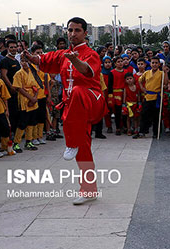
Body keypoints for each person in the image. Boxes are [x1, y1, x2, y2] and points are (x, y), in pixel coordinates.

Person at [23, 17, 108, 204]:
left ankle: (71, 141)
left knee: (77, 91)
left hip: (90, 100)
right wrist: (30, 57)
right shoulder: (62, 54)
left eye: (77, 30)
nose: (72, 34)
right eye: (70, 30)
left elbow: (86, 71)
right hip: (73, 109)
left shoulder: (91, 54)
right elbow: (43, 59)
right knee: (84, 150)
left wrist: (75, 61)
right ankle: (89, 190)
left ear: (85, 33)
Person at [12, 57, 40, 151]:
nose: (25, 63)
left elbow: (37, 86)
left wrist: (35, 98)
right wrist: (31, 98)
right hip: (24, 99)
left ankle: (29, 141)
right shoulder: (18, 74)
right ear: (20, 62)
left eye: (27, 61)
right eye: (23, 61)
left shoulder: (32, 72)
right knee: (22, 122)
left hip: (33, 98)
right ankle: (16, 143)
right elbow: (19, 88)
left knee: (32, 121)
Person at [137, 56, 168, 139]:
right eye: (153, 63)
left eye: (156, 63)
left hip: (157, 97)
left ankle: (156, 132)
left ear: (159, 64)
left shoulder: (161, 73)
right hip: (148, 97)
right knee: (144, 115)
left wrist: (165, 72)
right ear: (150, 64)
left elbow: (165, 84)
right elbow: (140, 81)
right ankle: (142, 131)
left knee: (157, 116)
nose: (154, 64)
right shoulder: (146, 73)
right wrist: (142, 88)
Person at [108, 56, 126, 135]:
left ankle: (125, 127)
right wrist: (110, 95)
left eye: (121, 61)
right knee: (117, 112)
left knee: (125, 111)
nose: (120, 63)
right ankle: (118, 128)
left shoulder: (126, 72)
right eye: (118, 62)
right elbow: (110, 85)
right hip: (116, 94)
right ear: (115, 64)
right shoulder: (112, 72)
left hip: (125, 93)